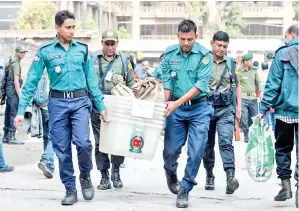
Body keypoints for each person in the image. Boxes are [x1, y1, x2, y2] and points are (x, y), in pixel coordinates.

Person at [14, 10, 107, 206]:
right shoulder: (46, 51)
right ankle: (70, 188)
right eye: (68, 27)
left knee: (83, 143)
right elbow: (31, 81)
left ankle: (85, 176)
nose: (72, 31)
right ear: (57, 28)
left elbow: (92, 81)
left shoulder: (82, 49)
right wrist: (21, 110)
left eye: (74, 27)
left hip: (81, 102)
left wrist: (101, 106)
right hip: (57, 104)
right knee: (62, 150)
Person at [162, 19, 213, 208]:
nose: (185, 43)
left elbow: (200, 86)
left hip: (199, 108)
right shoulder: (169, 54)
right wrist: (165, 104)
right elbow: (167, 81)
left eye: (189, 39)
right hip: (175, 108)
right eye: (182, 39)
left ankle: (185, 188)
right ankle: (170, 171)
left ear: (196, 37)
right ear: (177, 36)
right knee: (170, 151)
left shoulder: (204, 56)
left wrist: (175, 103)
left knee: (197, 150)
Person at [257, 24, 298, 208]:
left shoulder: (282, 54)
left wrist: (263, 109)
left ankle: (286, 185)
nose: (285, 40)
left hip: (284, 113)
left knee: (283, 149)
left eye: (286, 37)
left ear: (293, 34)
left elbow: (272, 85)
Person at [91, 29, 134, 190]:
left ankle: (116, 172)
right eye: (107, 43)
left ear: (117, 44)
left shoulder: (124, 59)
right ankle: (104, 175)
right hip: (98, 102)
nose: (110, 47)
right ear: (102, 43)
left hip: (118, 104)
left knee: (118, 139)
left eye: (112, 43)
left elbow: (131, 83)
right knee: (99, 141)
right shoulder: (93, 58)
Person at [203, 31, 241, 195]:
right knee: (207, 145)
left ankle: (230, 177)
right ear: (212, 43)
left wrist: (238, 107)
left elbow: (237, 85)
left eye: (225, 46)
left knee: (226, 142)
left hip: (226, 109)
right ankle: (209, 175)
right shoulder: (203, 61)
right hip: (206, 108)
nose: (221, 49)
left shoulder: (232, 63)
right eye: (219, 45)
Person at [3, 46, 27, 145]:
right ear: (16, 52)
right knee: (13, 112)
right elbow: (16, 82)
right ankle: (11, 137)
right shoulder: (16, 64)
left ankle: (6, 136)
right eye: (21, 52)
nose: (23, 54)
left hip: (8, 90)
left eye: (24, 52)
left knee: (8, 111)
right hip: (13, 90)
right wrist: (20, 95)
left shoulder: (10, 61)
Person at [238, 53, 263, 142]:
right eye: (250, 61)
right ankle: (246, 135)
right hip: (243, 98)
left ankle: (255, 134)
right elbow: (236, 85)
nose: (252, 62)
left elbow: (259, 82)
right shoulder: (239, 71)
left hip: (253, 98)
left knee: (255, 117)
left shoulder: (254, 71)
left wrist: (261, 91)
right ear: (245, 62)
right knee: (244, 118)